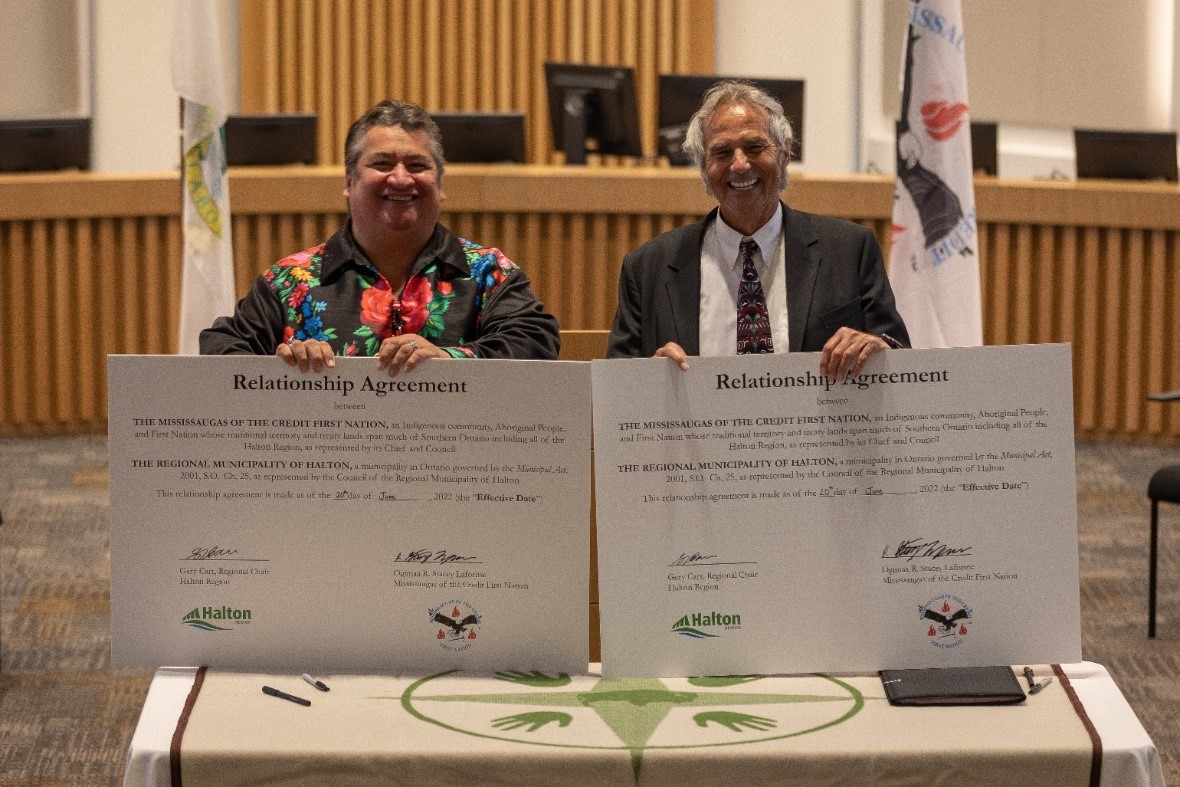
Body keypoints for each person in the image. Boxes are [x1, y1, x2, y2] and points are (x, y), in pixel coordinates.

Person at [201, 99, 560, 372]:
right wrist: (281, 365)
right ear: (348, 182)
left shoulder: (488, 272)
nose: (401, 179)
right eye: (382, 164)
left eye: (417, 165)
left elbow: (534, 343)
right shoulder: (289, 280)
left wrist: (447, 360)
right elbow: (219, 349)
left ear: (441, 185)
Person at [607, 81, 908, 379]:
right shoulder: (648, 268)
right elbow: (617, 387)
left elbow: (900, 358)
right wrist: (648, 377)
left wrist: (877, 347)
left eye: (754, 147)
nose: (739, 165)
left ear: (785, 153)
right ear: (703, 166)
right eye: (721, 152)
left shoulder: (849, 251)